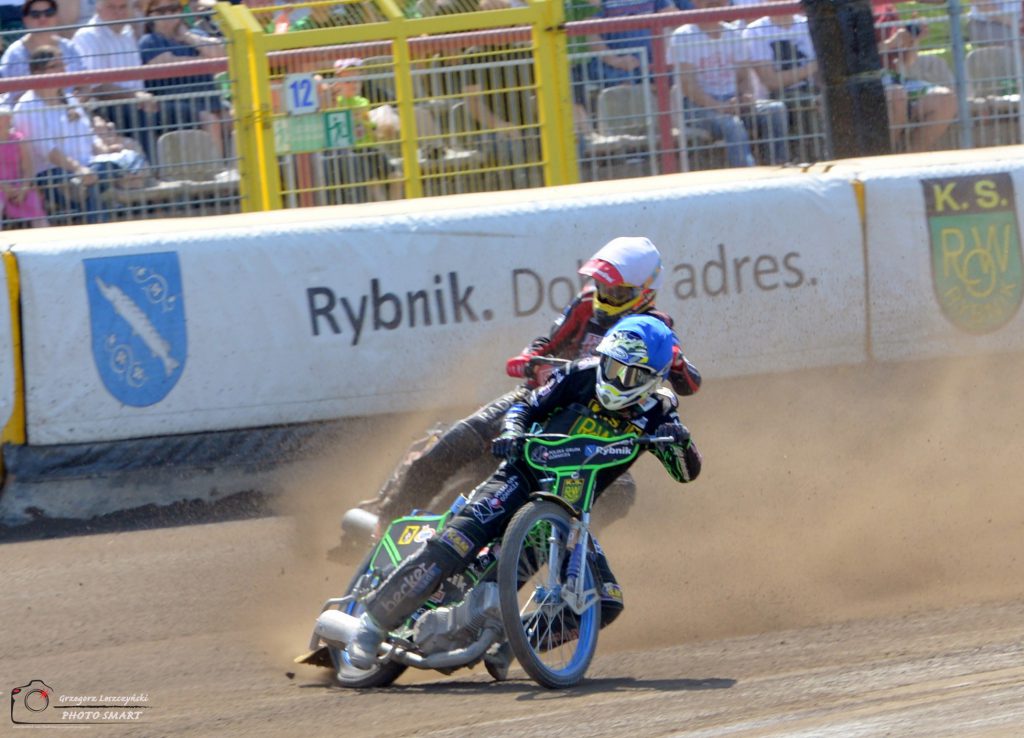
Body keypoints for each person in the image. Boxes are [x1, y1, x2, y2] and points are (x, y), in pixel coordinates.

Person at [344, 313, 703, 669]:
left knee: (606, 602)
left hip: (571, 511)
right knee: (457, 542)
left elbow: (686, 473)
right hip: (522, 475)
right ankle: (370, 627)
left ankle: (513, 644)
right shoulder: (581, 373)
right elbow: (527, 404)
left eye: (629, 374)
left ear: (652, 379)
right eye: (611, 365)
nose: (615, 378)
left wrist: (680, 443)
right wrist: (512, 431)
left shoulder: (661, 412)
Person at [348, 236, 701, 542]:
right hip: (540, 398)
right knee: (453, 442)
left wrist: (675, 361)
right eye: (603, 287)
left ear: (645, 293)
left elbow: (689, 383)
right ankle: (384, 528)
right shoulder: (584, 305)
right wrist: (532, 361)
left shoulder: (655, 330)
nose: (606, 297)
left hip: (594, 423)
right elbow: (544, 345)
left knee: (611, 493)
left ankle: (549, 553)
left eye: (617, 292)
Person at [13, 46, 147, 223]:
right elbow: (48, 151)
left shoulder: (70, 99)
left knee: (127, 159)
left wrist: (105, 150)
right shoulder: (27, 106)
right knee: (92, 179)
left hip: (89, 165)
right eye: (55, 66)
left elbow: (90, 136)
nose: (63, 70)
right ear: (37, 72)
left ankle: (87, 194)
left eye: (62, 65)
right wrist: (78, 169)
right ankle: (94, 209)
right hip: (51, 173)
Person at [138, 0, 227, 158]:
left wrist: (188, 37)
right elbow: (167, 64)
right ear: (150, 15)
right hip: (174, 103)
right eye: (162, 11)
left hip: (209, 101)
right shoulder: (150, 41)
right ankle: (219, 168)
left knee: (237, 117)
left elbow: (220, 56)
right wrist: (206, 61)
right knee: (210, 120)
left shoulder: (194, 35)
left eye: (174, 9)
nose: (169, 15)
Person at [71, 0, 159, 152]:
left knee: (183, 112)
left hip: (136, 101)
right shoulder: (87, 36)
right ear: (98, 8)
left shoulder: (128, 33)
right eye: (111, 7)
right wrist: (135, 96)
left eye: (123, 7)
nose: (118, 12)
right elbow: (96, 87)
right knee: (142, 119)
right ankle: (153, 166)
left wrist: (142, 97)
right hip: (102, 107)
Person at [742, 10, 821, 163]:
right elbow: (771, 82)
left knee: (823, 100)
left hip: (811, 91)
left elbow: (822, 74)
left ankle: (824, 159)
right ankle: (808, 160)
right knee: (804, 101)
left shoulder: (808, 24)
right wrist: (812, 67)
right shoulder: (755, 31)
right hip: (772, 97)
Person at [323, 56, 398, 203]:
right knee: (373, 182)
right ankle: (383, 209)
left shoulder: (363, 102)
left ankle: (396, 205)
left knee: (396, 176)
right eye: (348, 81)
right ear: (338, 82)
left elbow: (369, 127)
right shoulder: (336, 102)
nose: (354, 85)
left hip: (369, 146)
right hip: (354, 150)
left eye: (357, 80)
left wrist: (376, 127)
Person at [878, 23, 956, 153]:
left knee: (946, 99)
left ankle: (911, 157)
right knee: (896, 96)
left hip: (897, 80)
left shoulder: (888, 14)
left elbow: (907, 62)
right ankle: (884, 157)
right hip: (869, 82)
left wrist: (913, 41)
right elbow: (850, 59)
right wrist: (890, 43)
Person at [0, 0, 86, 107]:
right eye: (35, 14)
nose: (43, 18)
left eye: (49, 13)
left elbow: (85, 86)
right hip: (27, 113)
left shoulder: (70, 48)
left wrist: (73, 104)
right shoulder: (14, 54)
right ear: (25, 20)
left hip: (69, 111)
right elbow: (6, 94)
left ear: (56, 16)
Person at [0, 104, 48, 227]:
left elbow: (28, 169)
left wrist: (24, 188)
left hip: (19, 184)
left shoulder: (19, 140)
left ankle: (47, 236)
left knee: (34, 203)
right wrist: (3, 186)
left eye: (4, 117)